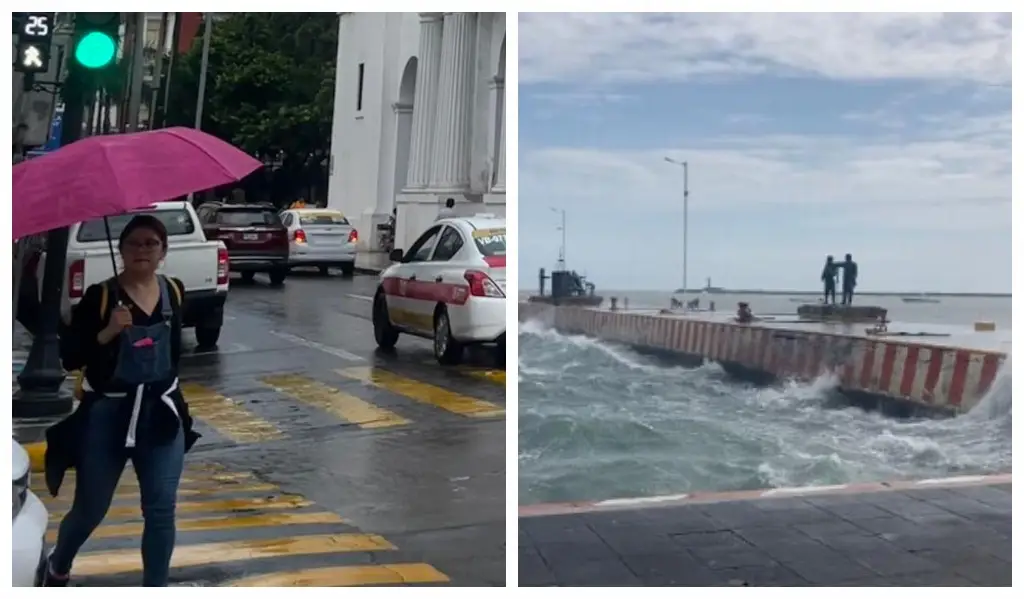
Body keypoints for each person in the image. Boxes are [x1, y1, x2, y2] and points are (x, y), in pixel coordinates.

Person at [43, 215, 200, 587]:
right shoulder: (100, 296)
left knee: (161, 510)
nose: (142, 250)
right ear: (121, 249)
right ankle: (58, 566)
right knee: (90, 509)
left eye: (151, 243)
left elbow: (175, 355)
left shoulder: (174, 292)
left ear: (163, 251)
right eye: (134, 243)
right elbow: (70, 357)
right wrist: (108, 332)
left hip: (160, 415)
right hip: (107, 417)